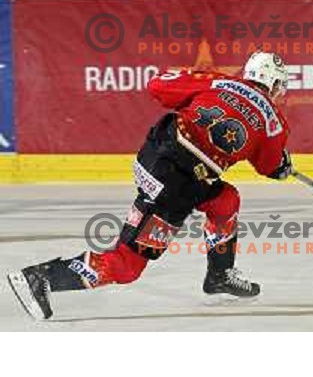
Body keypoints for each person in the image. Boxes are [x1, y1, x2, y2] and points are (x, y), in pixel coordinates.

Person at [7, 51, 293, 320]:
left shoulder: (218, 81)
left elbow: (158, 86)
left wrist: (193, 93)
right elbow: (268, 166)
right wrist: (282, 166)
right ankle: (41, 277)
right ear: (274, 82)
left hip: (156, 157)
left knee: (225, 200)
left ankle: (220, 274)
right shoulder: (274, 121)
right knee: (127, 265)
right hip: (176, 188)